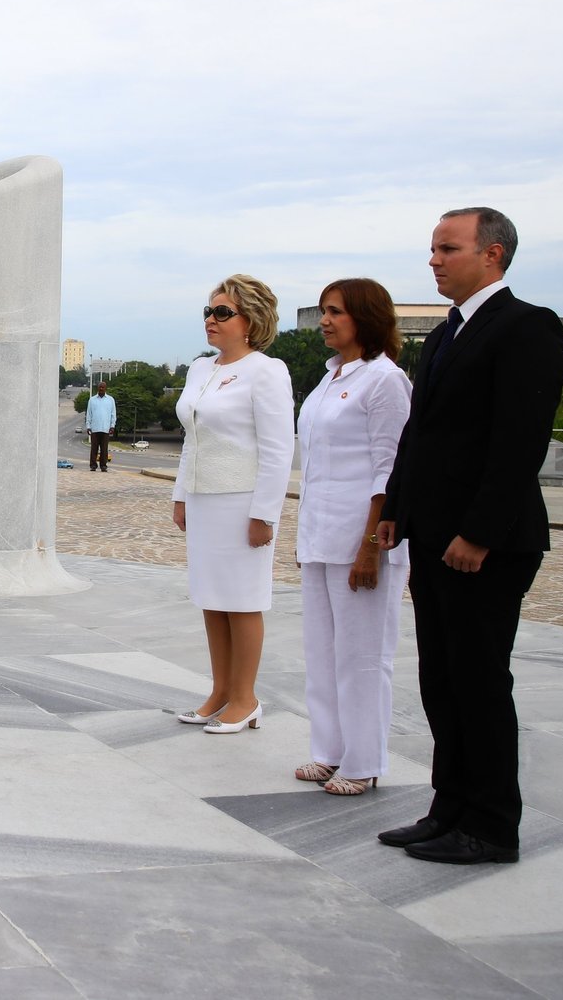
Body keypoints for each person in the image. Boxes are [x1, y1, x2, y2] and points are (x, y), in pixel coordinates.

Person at [375, 208, 563, 864]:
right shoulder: (446, 334)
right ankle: (448, 808)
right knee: (442, 679)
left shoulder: (526, 327)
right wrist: (396, 509)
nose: (433, 259)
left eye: (447, 248)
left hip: (488, 545)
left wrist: (479, 533)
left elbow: (518, 444)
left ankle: (490, 825)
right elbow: (420, 434)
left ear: (491, 254)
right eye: (432, 248)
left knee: (480, 682)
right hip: (433, 536)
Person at [293, 279, 411, 796]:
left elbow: (390, 470)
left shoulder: (384, 380)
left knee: (363, 656)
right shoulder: (328, 379)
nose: (324, 320)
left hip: (364, 539)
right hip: (320, 533)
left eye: (334, 311)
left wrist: (370, 547)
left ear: (364, 316)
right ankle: (330, 750)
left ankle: (363, 760)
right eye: (322, 311)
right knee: (322, 652)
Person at [170, 274, 294, 735]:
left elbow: (279, 448)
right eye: (209, 310)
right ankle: (220, 691)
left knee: (242, 600)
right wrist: (181, 495)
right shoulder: (201, 369)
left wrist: (265, 513)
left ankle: (246, 698)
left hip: (242, 500)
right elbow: (192, 440)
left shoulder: (267, 370)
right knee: (211, 598)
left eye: (223, 312)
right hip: (204, 499)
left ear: (250, 321)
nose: (211, 318)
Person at [85, 380, 117, 471]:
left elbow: (113, 414)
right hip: (95, 428)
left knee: (104, 449)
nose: (101, 388)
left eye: (103, 387)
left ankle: (103, 466)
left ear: (105, 388)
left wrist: (112, 426)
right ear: (97, 388)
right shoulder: (92, 400)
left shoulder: (110, 400)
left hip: (105, 428)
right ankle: (93, 465)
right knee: (94, 449)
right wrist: (88, 426)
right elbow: (89, 414)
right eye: (100, 387)